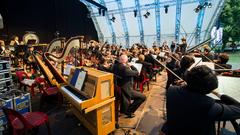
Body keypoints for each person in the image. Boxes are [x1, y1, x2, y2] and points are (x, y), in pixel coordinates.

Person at [161, 65, 240, 135]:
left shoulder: (171, 90)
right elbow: (238, 109)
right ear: (209, 90)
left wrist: (187, 85)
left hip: (174, 130)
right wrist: (218, 94)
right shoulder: (209, 106)